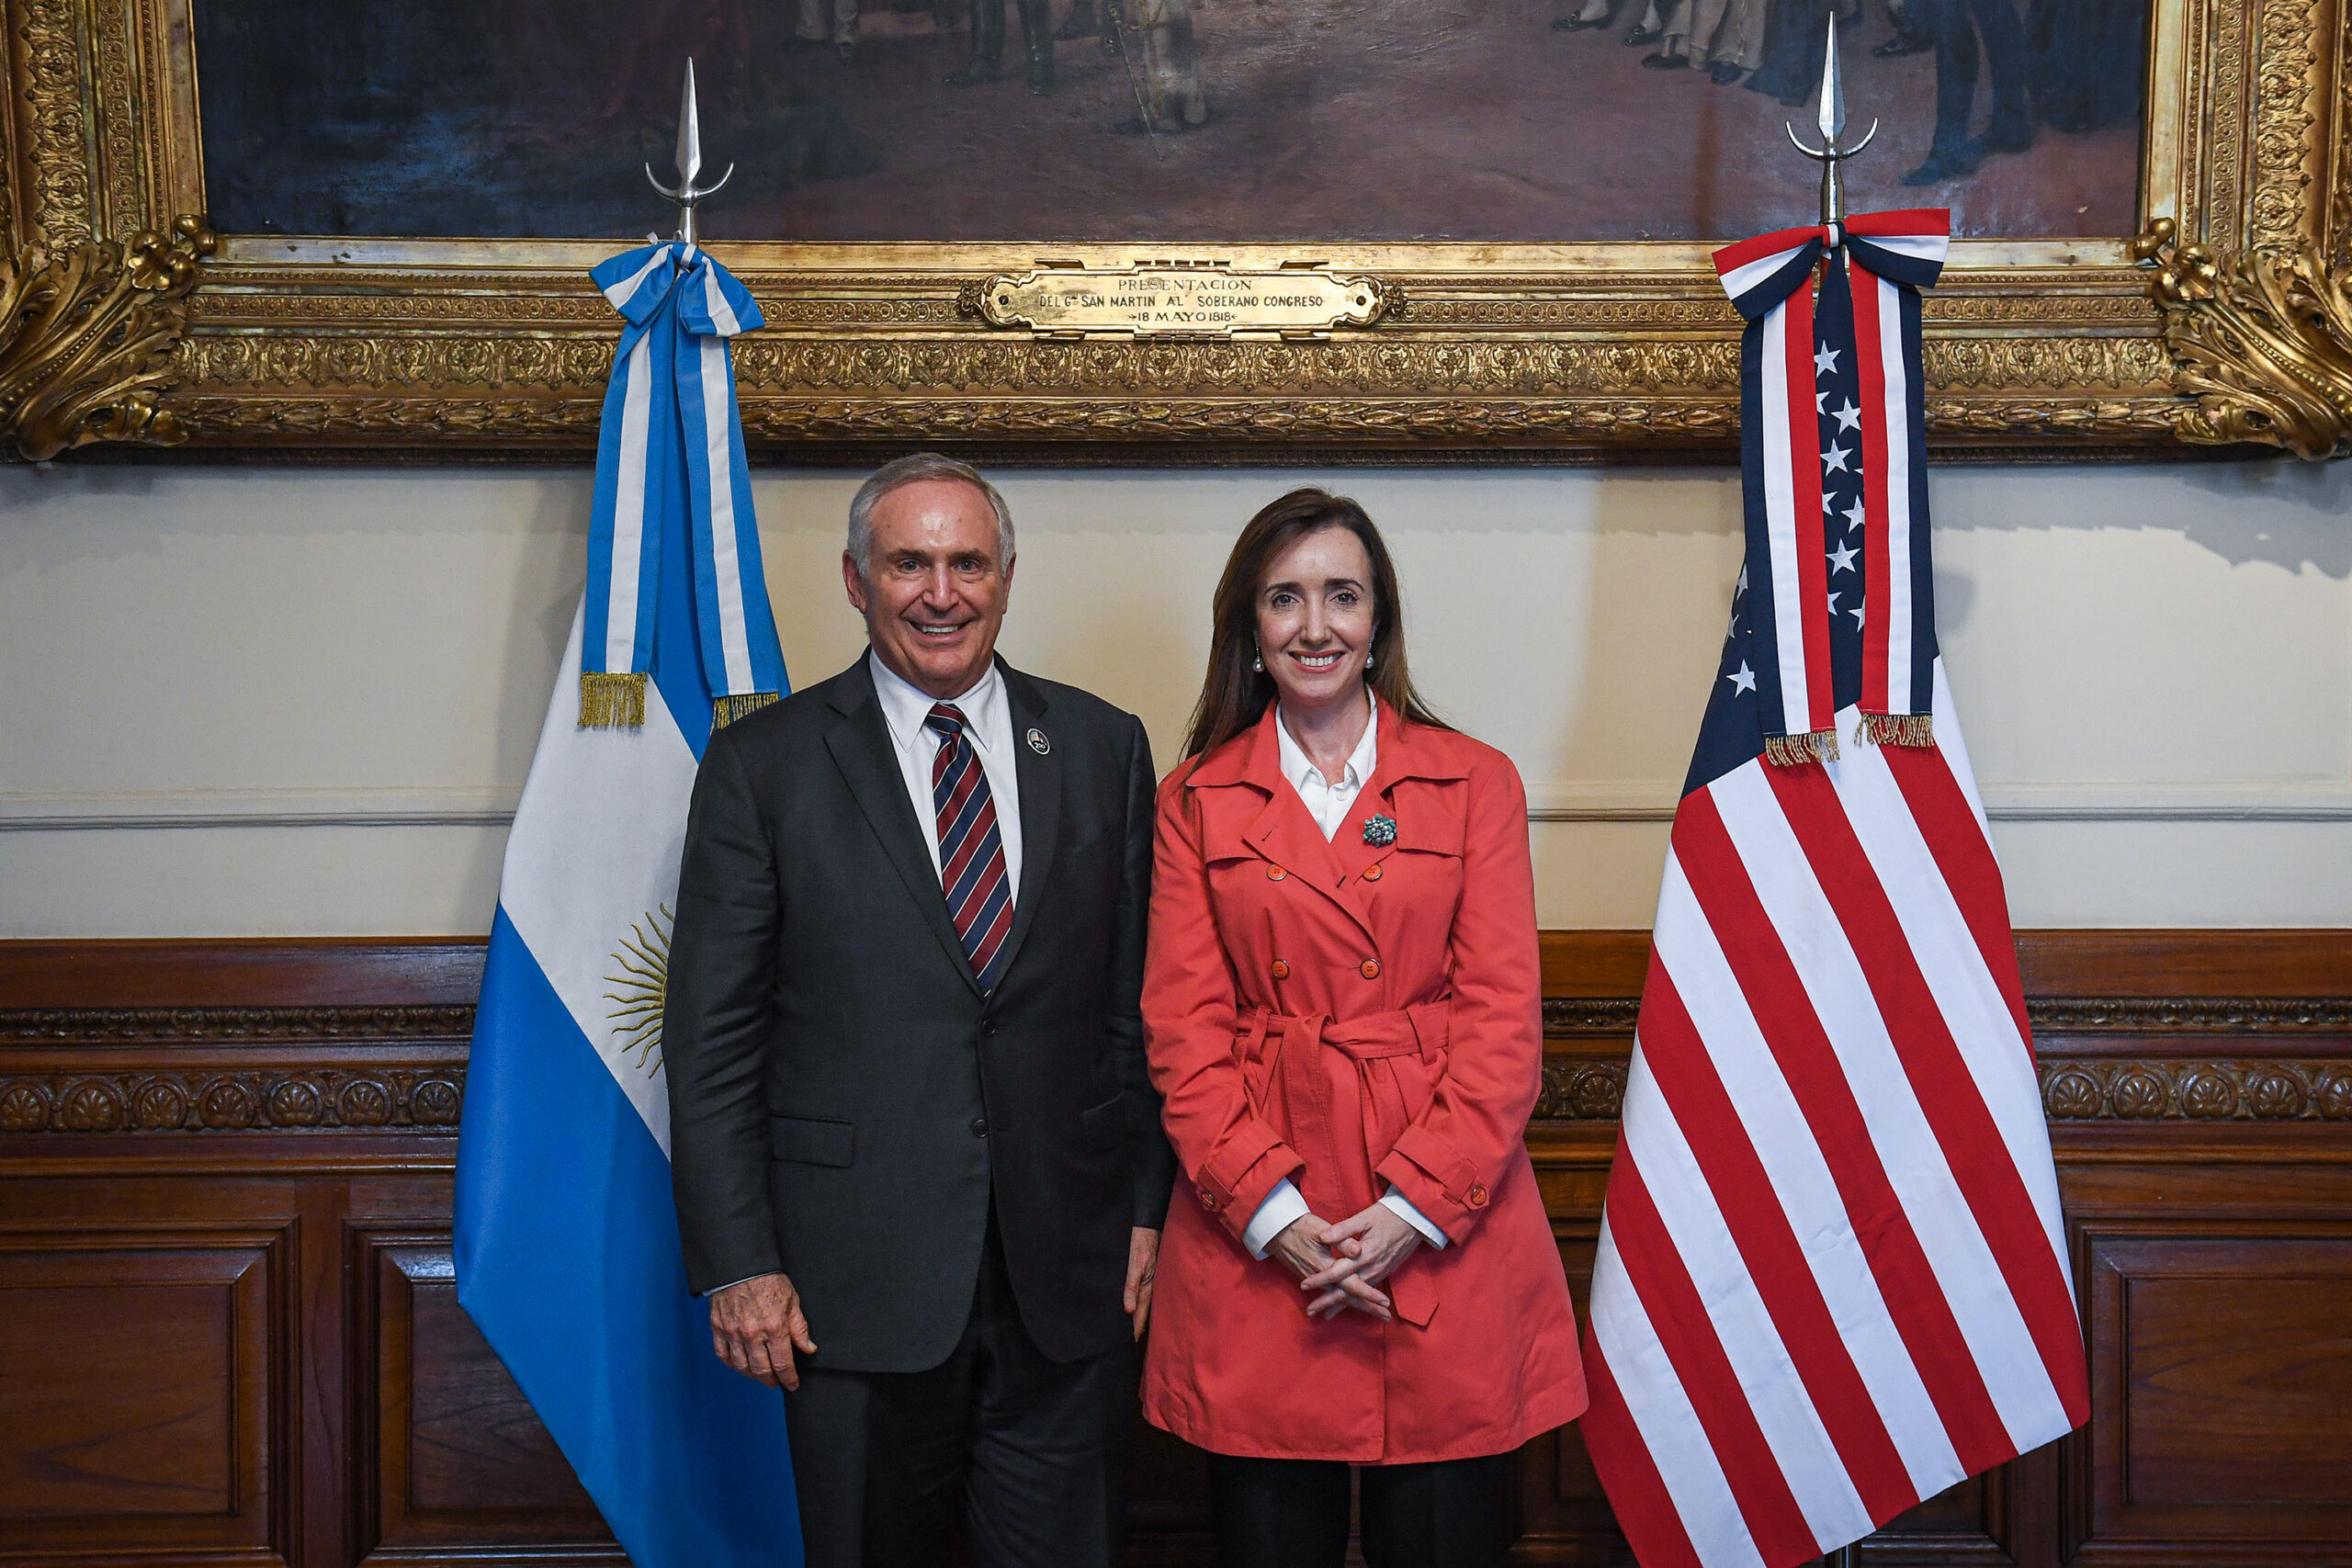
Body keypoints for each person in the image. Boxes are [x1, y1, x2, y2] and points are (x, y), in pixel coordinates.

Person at [663, 452, 1175, 1568]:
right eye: (908, 563)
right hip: (847, 1282)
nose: (940, 591)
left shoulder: (1102, 746)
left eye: (966, 563)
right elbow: (711, 1043)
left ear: (1005, 578)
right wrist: (738, 1261)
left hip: (1068, 1278)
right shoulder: (766, 765)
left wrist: (1148, 1207)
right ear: (855, 579)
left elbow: (1132, 1010)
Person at [1138, 490, 1589, 1568]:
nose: (1315, 626)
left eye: (1342, 596)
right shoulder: (1193, 799)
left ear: (1378, 619)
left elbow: (1499, 1026)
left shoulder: (1473, 782)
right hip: (1258, 1240)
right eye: (1284, 598)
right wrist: (1278, 1219)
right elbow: (1182, 1038)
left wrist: (1407, 1214)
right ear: (1248, 627)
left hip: (1440, 1230)